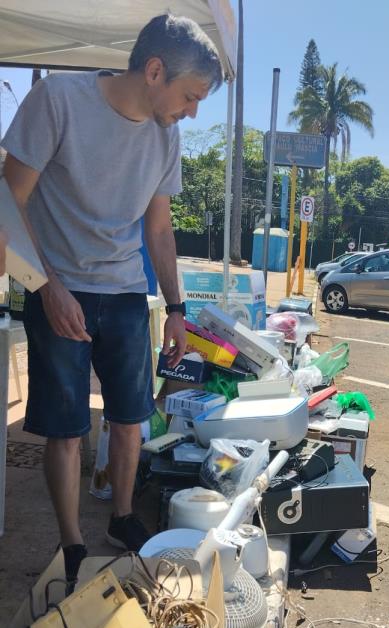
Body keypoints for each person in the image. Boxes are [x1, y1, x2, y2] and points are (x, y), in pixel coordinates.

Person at [0, 14, 223, 587]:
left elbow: (159, 229)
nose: (192, 112)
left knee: (130, 418)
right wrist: (45, 287)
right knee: (66, 428)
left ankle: (121, 518)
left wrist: (176, 309)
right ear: (155, 71)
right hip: (57, 287)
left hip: (125, 292)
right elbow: (8, 200)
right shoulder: (58, 100)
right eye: (191, 96)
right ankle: (72, 543)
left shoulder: (165, 135)